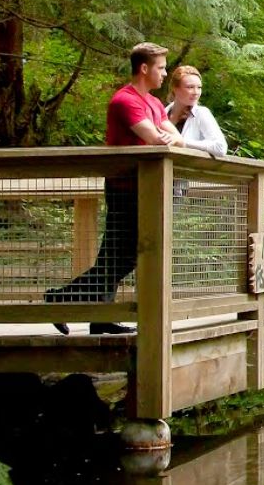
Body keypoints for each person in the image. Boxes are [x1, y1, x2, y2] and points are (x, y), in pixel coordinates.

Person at [48, 41, 178, 333]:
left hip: (144, 188)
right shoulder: (125, 100)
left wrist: (165, 135)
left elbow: (176, 137)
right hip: (125, 188)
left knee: (117, 257)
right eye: (160, 68)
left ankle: (97, 317)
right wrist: (162, 135)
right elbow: (155, 139)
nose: (165, 73)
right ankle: (60, 300)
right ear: (144, 68)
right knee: (125, 256)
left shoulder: (155, 103)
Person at [164, 64, 228, 157]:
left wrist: (182, 142)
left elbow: (220, 147)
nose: (196, 92)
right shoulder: (162, 113)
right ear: (175, 88)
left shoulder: (201, 113)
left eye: (199, 87)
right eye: (190, 87)